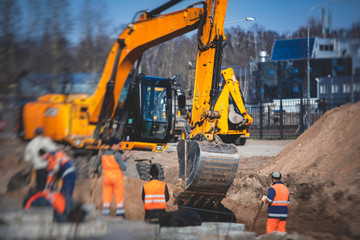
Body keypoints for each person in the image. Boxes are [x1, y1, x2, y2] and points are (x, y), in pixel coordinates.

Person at [93, 137, 127, 217]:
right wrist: (124, 161)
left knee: (106, 195)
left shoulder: (103, 153)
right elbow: (124, 168)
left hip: (106, 178)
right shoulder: (117, 155)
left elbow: (95, 164)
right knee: (119, 196)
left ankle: (105, 213)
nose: (120, 147)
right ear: (114, 146)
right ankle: (120, 214)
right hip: (117, 178)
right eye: (119, 145)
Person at [24, 127, 57, 191]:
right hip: (49, 167)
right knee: (50, 186)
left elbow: (27, 158)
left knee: (40, 186)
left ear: (35, 134)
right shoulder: (47, 141)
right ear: (43, 133)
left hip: (38, 168)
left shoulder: (30, 144)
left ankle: (41, 198)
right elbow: (55, 151)